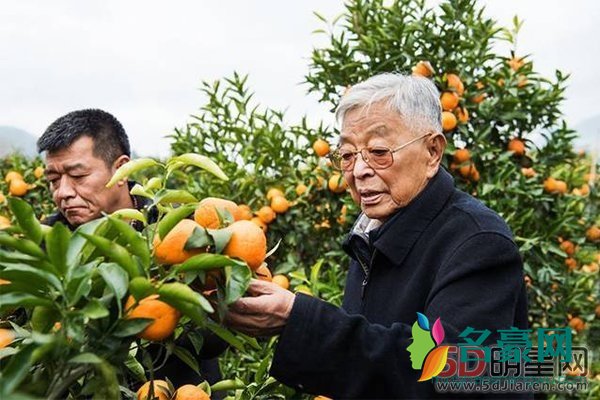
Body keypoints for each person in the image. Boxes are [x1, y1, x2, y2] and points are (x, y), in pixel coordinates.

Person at [225, 74, 529, 398]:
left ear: (432, 152)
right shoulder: (373, 235)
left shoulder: (478, 243)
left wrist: (300, 319)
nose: (358, 171)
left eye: (379, 151)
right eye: (347, 155)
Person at [37, 109, 225, 389]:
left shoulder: (181, 231)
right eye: (53, 180)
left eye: (77, 175)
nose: (62, 192)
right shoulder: (51, 239)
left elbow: (217, 334)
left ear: (121, 169)